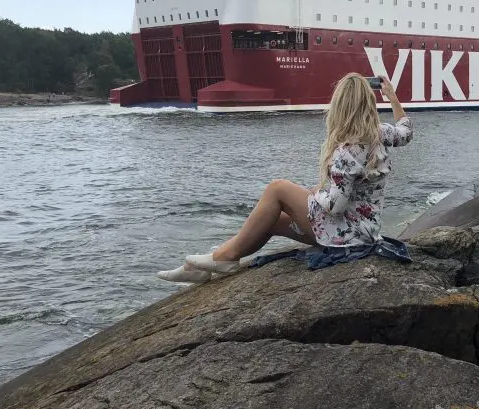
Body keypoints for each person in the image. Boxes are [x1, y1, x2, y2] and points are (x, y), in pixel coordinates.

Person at [157, 74, 413, 283]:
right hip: (366, 233)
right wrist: (391, 96)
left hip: (346, 237)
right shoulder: (382, 133)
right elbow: (406, 131)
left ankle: (222, 258)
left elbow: (335, 206)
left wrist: (314, 194)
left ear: (340, 106)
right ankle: (210, 264)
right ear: (367, 104)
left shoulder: (348, 150)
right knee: (272, 220)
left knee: (277, 189)